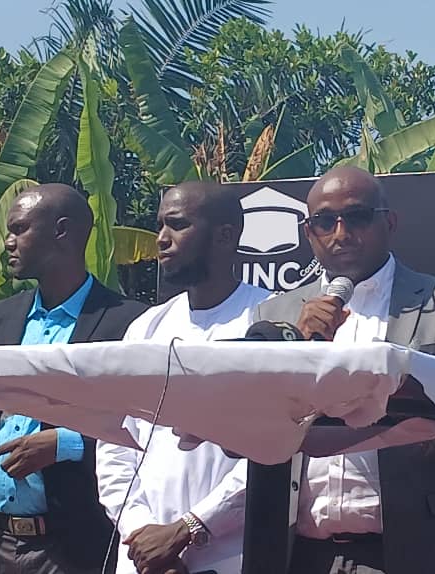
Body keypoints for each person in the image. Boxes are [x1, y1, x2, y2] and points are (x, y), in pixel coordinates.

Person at [252, 166, 435, 574]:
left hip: (414, 551)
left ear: (390, 222)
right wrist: (297, 342)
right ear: (309, 233)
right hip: (299, 555)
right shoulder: (274, 315)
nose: (341, 233)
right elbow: (252, 427)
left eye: (357, 216)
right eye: (325, 222)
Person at [0, 183, 148, 574]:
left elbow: (146, 429)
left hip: (72, 545)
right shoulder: (0, 317)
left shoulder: (127, 323)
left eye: (19, 229)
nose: (8, 242)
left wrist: (68, 444)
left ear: (61, 231)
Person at [96, 182, 271, 574]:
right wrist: (140, 533)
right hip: (143, 558)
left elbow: (276, 450)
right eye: (160, 225)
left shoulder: (268, 320)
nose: (161, 239)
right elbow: (116, 444)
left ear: (224, 236)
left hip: (232, 556)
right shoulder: (147, 327)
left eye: (177, 225)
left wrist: (189, 528)